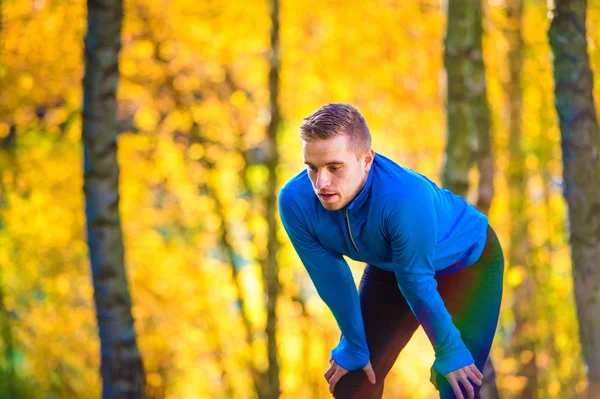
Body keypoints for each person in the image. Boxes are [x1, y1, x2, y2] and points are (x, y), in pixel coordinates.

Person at [278, 103, 504, 399]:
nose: (321, 183)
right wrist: (355, 345)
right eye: (312, 168)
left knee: (459, 385)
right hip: (394, 266)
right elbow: (331, 279)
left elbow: (416, 281)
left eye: (334, 167)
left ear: (367, 159)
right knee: (353, 382)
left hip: (469, 262)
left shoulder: (404, 199)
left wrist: (449, 349)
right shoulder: (295, 202)